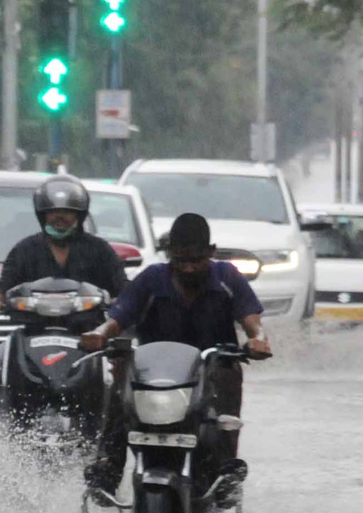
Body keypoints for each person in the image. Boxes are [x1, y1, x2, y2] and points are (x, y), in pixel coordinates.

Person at [79, 212, 271, 496]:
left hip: (208, 371)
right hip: (154, 377)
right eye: (181, 260)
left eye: (197, 260)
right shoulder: (151, 279)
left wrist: (258, 339)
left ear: (211, 252)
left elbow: (251, 319)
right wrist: (100, 335)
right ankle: (108, 465)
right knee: (121, 369)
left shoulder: (227, 277)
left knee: (228, 373)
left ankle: (224, 469)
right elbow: (118, 317)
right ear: (170, 255)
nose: (190, 268)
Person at [0, 174, 127, 318]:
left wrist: (119, 302)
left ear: (79, 216)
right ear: (42, 215)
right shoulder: (25, 249)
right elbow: (3, 285)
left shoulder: (99, 250)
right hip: (33, 329)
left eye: (67, 212)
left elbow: (123, 287)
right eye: (53, 212)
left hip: (87, 332)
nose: (60, 218)